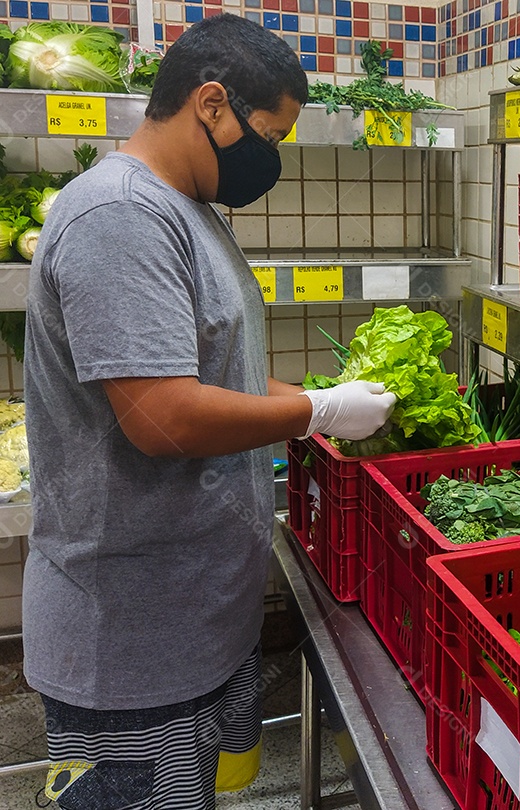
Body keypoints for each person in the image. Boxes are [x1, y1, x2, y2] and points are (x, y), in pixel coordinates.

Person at [22, 14, 395, 809]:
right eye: (271, 134)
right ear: (212, 104)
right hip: (126, 644)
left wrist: (313, 398)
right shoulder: (119, 217)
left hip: (189, 618)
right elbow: (165, 420)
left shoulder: (189, 211)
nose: (274, 159)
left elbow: (212, 375)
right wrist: (316, 411)